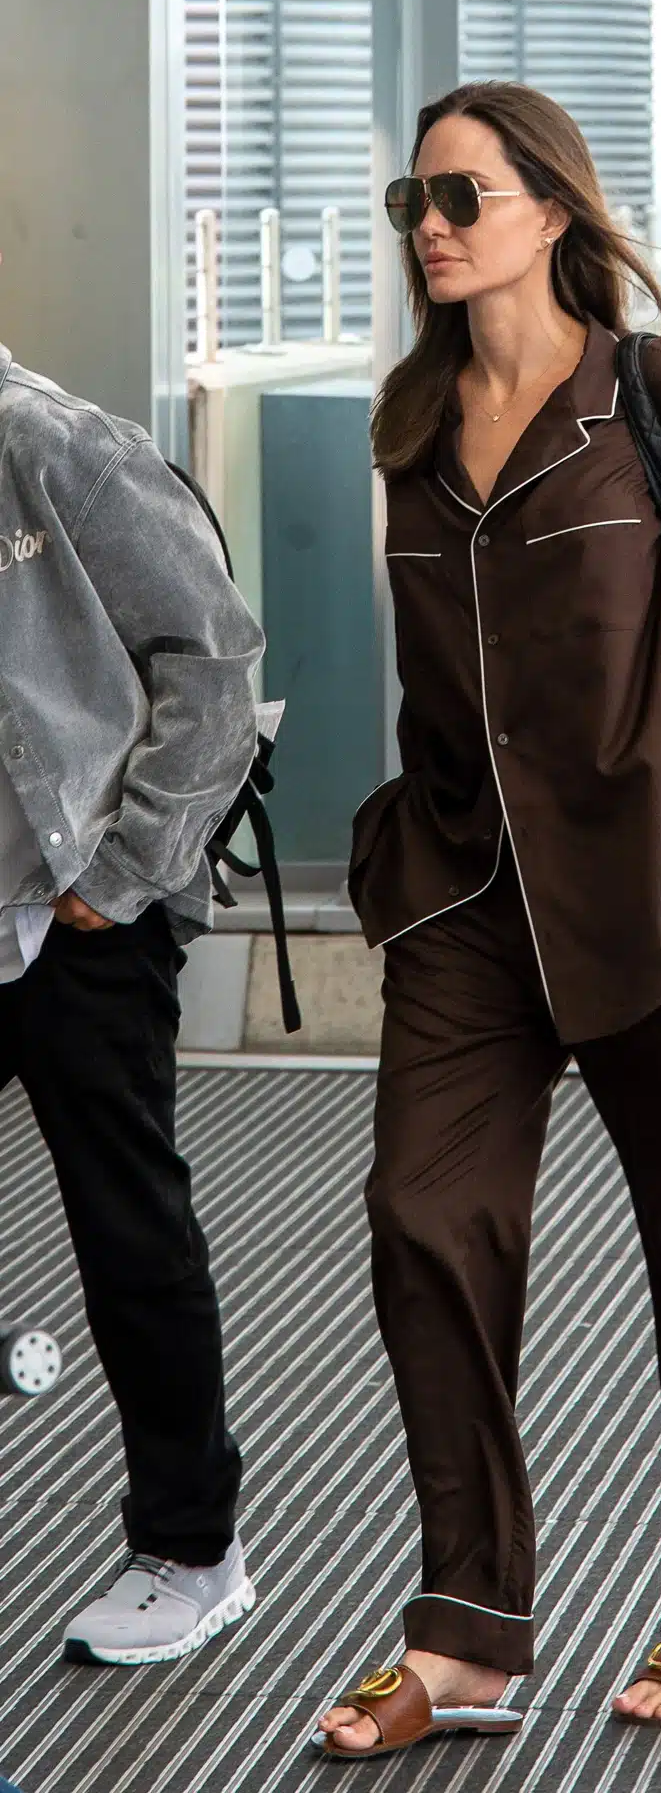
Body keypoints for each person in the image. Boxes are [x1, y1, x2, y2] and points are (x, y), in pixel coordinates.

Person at [314, 80, 661, 1759]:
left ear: (551, 209)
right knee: (424, 1219)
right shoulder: (410, 420)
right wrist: (406, 854)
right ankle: (468, 1634)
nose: (432, 226)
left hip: (640, 890)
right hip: (465, 898)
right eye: (413, 202)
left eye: (461, 195)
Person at [0, 338, 263, 1663]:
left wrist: (123, 874)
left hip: (75, 920)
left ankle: (192, 1551)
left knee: (127, 1228)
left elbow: (214, 666)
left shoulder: (58, 447)